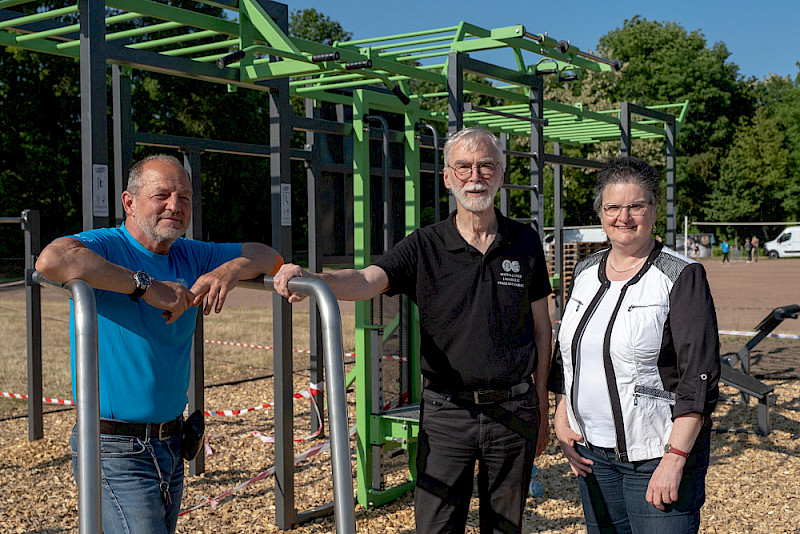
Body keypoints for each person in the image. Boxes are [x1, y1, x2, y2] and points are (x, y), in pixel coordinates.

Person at [274, 127, 552, 533]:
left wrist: (542, 404)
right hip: (448, 412)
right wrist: (313, 278)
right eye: (464, 167)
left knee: (506, 527)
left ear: (501, 174)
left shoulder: (524, 241)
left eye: (486, 166)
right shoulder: (426, 245)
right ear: (446, 177)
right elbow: (367, 280)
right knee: (436, 526)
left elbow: (543, 328)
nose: (475, 176)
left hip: (513, 410)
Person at [35, 154, 283, 534]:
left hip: (171, 442)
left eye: (184, 197)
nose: (175, 206)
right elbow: (52, 260)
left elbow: (268, 255)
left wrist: (229, 269)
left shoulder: (191, 252)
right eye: (162, 195)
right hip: (115, 446)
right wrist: (145, 286)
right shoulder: (109, 246)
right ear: (129, 202)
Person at [548, 156, 720, 534]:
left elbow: (699, 376)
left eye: (636, 206)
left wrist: (675, 458)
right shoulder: (585, 272)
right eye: (613, 207)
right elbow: (570, 352)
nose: (623, 217)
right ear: (600, 213)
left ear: (653, 210)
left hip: (655, 457)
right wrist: (563, 416)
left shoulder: (681, 276)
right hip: (593, 456)